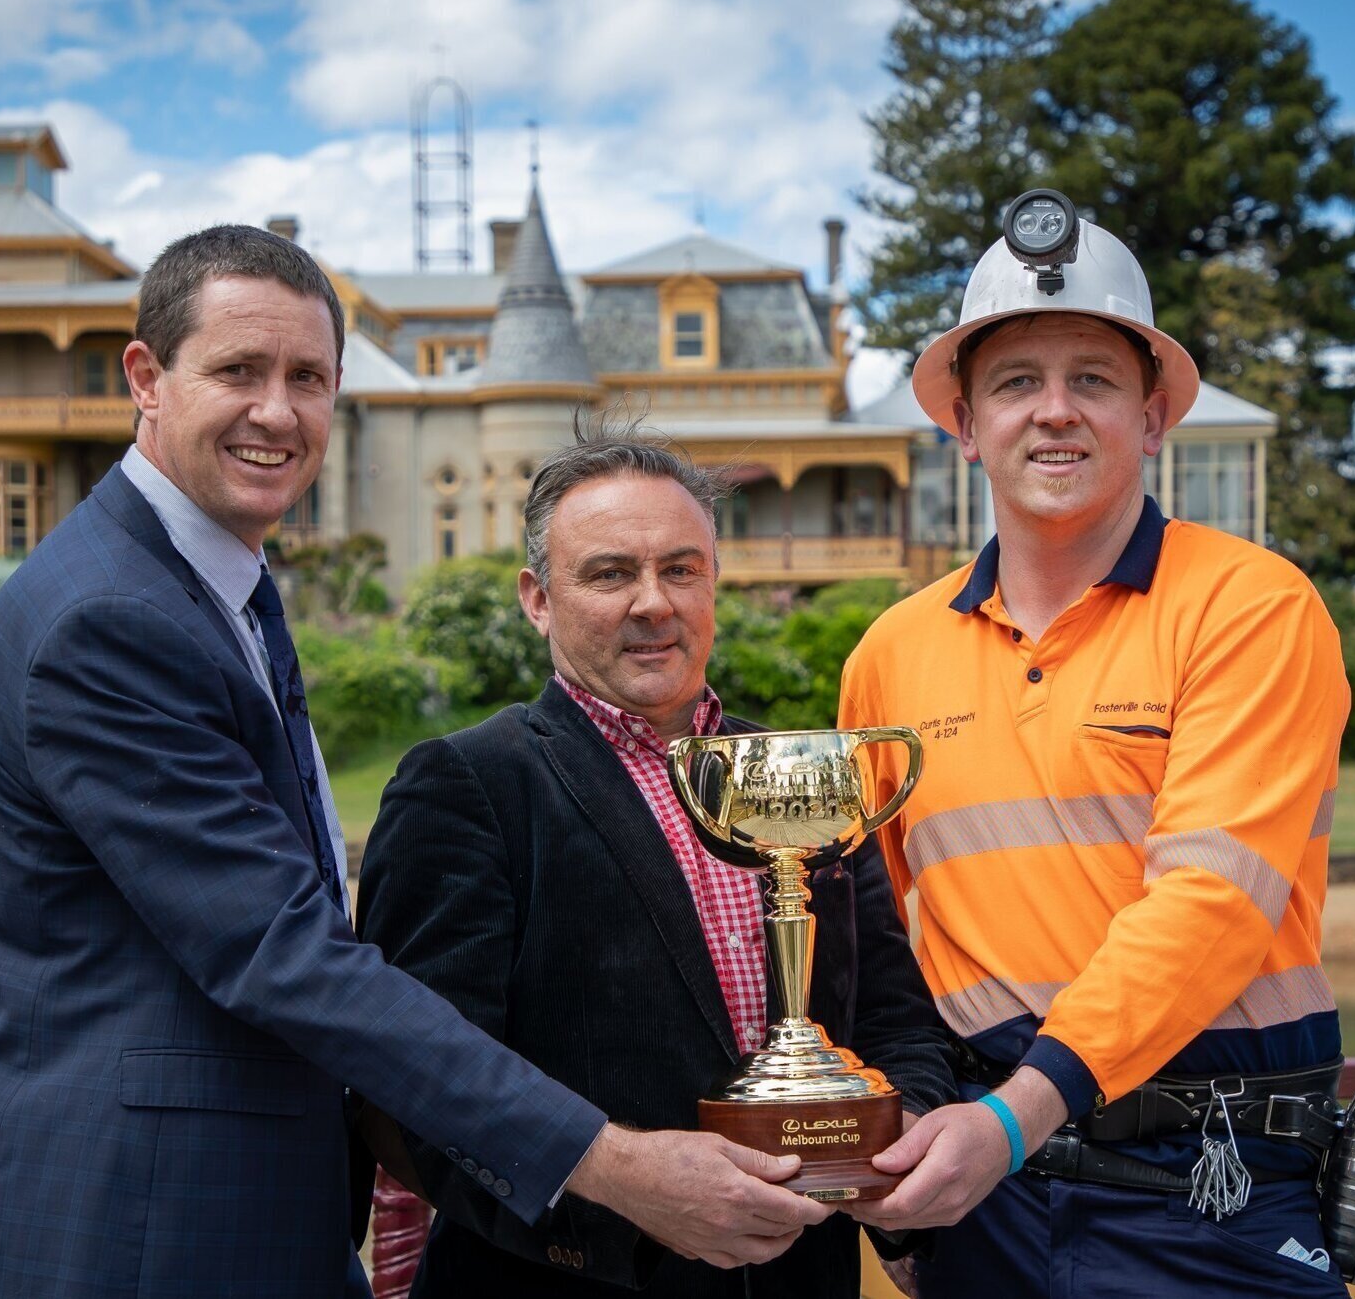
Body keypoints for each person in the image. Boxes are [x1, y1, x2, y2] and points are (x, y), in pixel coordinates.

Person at [0, 226, 831, 1299]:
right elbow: (279, 953)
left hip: (215, 1210)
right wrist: (609, 1161)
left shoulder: (213, 578)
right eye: (238, 370)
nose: (278, 411)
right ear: (146, 378)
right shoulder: (111, 615)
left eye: (309, 378)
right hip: (120, 1222)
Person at [834, 200, 1353, 1296]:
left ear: (1153, 416)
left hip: (1210, 1191)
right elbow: (873, 938)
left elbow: (1210, 904)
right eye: (1017, 380)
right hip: (986, 1199)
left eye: (1094, 379)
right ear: (964, 423)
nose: (1053, 412)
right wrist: (910, 1159)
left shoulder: (1249, 605)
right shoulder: (889, 653)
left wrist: (1012, 1119)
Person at [355, 433, 950, 1298]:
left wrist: (908, 1137)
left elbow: (895, 1015)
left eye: (681, 568)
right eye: (608, 574)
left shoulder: (795, 772)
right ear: (537, 598)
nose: (653, 603)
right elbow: (412, 1089)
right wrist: (625, 1207)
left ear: (715, 580)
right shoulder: (470, 785)